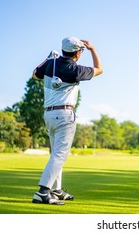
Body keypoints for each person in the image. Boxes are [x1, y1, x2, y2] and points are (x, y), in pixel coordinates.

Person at [31, 37, 103, 205]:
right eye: (82, 51)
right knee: (59, 155)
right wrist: (92, 49)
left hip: (48, 115)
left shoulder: (51, 64)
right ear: (78, 52)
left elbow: (35, 74)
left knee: (56, 154)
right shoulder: (75, 69)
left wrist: (48, 59)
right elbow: (99, 69)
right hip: (64, 115)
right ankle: (43, 192)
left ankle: (57, 190)